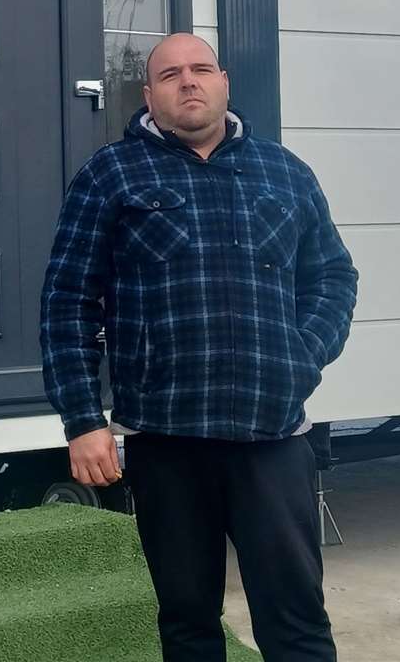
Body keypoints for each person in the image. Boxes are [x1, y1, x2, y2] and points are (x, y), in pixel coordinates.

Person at [40, 33, 358, 662]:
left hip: (273, 437)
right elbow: (67, 301)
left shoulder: (286, 172)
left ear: (224, 83)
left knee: (296, 620)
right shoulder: (111, 175)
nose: (188, 81)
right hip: (166, 439)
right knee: (187, 623)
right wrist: (82, 420)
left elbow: (333, 277)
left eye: (201, 69)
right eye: (170, 74)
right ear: (148, 95)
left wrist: (303, 356)